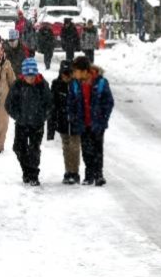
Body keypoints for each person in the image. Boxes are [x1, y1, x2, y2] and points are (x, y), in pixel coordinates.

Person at [68, 56, 114, 186]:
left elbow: (108, 102)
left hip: (97, 124)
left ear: (84, 71)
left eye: (76, 71)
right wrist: (73, 116)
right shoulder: (75, 84)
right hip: (83, 124)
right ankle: (89, 175)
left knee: (97, 149)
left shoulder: (101, 83)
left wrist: (103, 119)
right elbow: (71, 103)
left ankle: (99, 174)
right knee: (86, 150)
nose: (74, 73)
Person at [5, 58, 53, 186]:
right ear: (23, 74)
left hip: (37, 124)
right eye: (28, 75)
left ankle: (33, 175)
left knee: (34, 150)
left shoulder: (42, 84)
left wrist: (43, 117)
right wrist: (18, 116)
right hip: (21, 124)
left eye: (32, 75)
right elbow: (9, 104)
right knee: (18, 148)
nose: (30, 78)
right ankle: (27, 171)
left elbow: (49, 104)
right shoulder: (17, 85)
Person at [47, 60, 81, 185]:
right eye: (64, 74)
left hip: (76, 122)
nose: (66, 76)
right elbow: (52, 106)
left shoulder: (78, 85)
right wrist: (51, 127)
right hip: (63, 122)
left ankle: (75, 172)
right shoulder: (56, 85)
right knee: (66, 147)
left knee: (75, 147)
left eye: (69, 74)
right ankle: (68, 171)